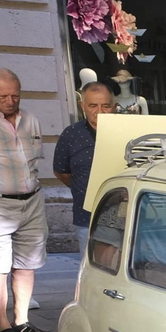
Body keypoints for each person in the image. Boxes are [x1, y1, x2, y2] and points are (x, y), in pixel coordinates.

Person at [0, 68, 51, 332]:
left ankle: (21, 321)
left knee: (27, 264)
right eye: (3, 96)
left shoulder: (31, 120)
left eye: (15, 95)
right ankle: (1, 327)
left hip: (32, 200)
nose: (10, 101)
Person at [53, 82, 115, 252]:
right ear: (83, 106)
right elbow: (61, 171)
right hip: (87, 216)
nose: (100, 111)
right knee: (91, 265)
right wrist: (83, 188)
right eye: (93, 106)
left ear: (114, 106)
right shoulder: (71, 134)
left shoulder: (128, 132)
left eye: (105, 106)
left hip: (127, 215)